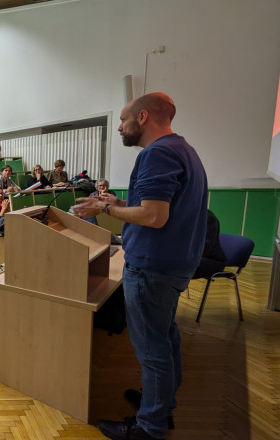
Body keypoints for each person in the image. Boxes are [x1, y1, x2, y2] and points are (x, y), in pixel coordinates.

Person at [72, 92, 208, 440]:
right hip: (172, 264)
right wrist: (119, 202)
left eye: (123, 120)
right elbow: (158, 207)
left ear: (143, 117)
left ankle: (150, 427)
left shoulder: (157, 153)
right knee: (165, 340)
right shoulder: (183, 150)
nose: (119, 127)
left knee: (153, 351)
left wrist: (104, 210)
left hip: (152, 267)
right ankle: (161, 405)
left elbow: (153, 215)